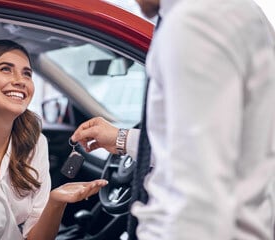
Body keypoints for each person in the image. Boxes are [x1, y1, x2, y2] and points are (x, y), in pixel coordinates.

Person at [71, 0, 275, 239]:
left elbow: (196, 201)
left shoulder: (194, 23)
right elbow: (206, 149)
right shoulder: (235, 12)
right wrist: (122, 139)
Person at [0, 39, 108, 240]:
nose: (20, 80)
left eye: (27, 73)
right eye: (6, 69)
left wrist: (56, 201)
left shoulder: (35, 144)